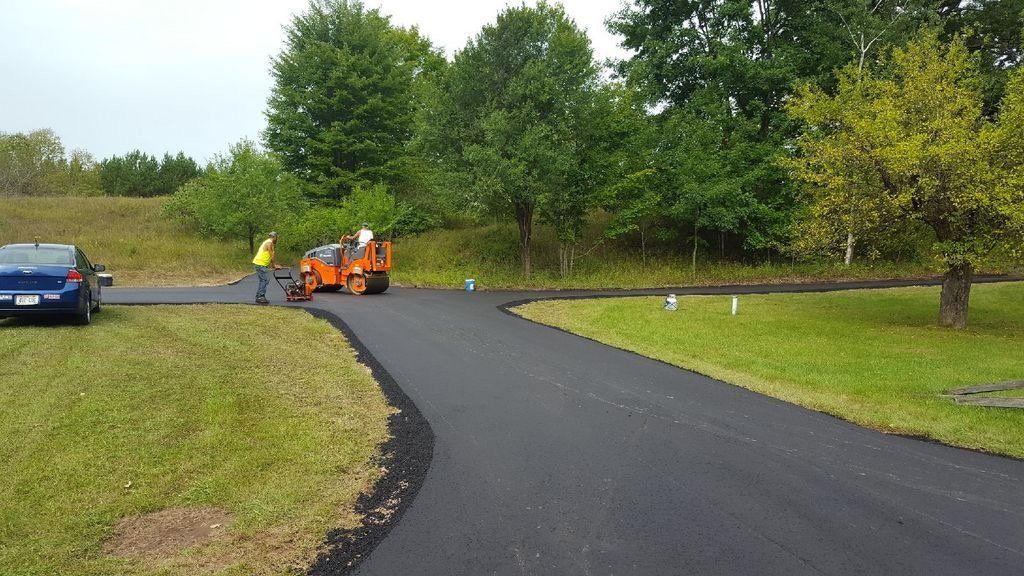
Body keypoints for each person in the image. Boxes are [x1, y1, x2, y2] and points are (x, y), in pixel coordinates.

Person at [252, 231, 282, 305]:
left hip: (260, 263)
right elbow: (271, 254)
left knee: (263, 280)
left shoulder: (267, 242)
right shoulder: (269, 243)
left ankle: (259, 296)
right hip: (260, 264)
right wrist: (274, 265)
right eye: (276, 237)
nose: (277, 239)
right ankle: (260, 297)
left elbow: (270, 255)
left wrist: (273, 264)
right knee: (265, 279)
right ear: (274, 237)